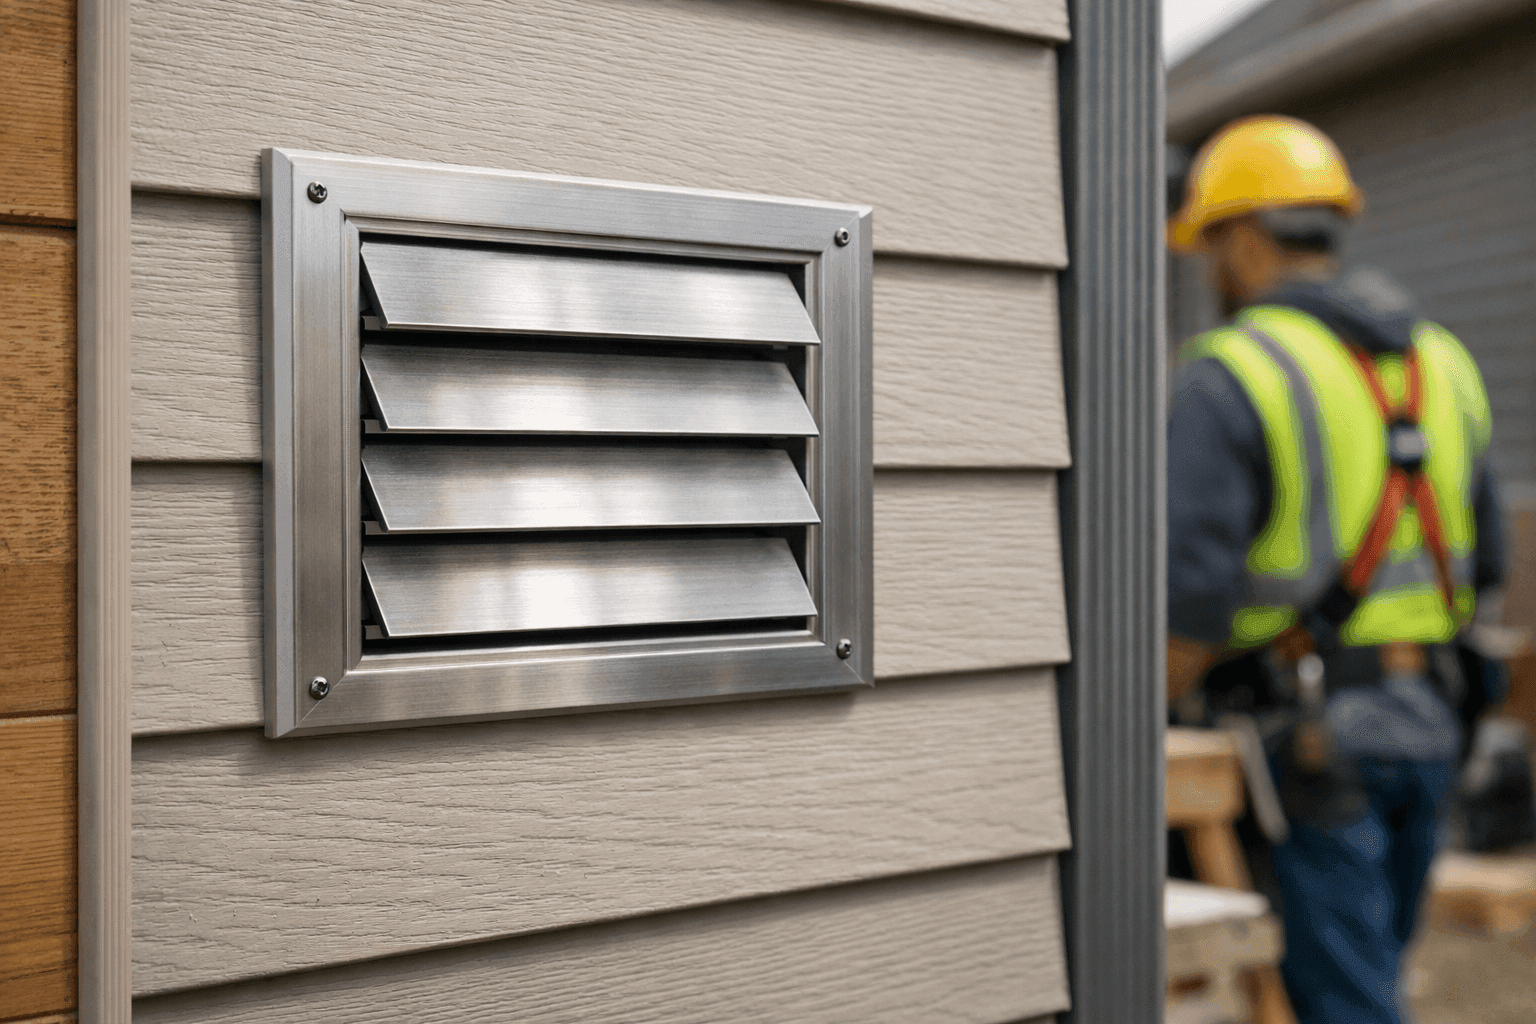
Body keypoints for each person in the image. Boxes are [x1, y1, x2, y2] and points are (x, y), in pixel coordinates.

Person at [1166, 114, 1505, 1023]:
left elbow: (1188, 603)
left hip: (1307, 737)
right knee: (1372, 974)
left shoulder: (1231, 372)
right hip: (1433, 717)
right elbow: (1489, 560)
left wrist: (1139, 729)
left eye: (1206, 245)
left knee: (1340, 1002)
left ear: (1239, 238)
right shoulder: (1446, 364)